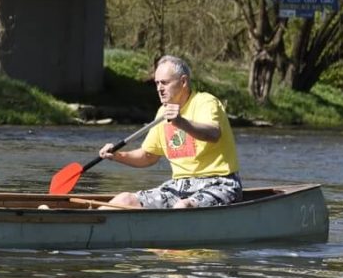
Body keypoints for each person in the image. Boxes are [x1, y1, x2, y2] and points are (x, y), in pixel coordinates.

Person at [97, 55, 241, 209]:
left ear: (183, 82)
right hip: (179, 186)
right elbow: (148, 156)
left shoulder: (205, 102)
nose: (159, 88)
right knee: (124, 200)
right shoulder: (162, 112)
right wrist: (117, 156)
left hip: (218, 184)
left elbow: (213, 134)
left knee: (182, 206)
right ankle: (91, 226)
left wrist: (180, 122)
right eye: (157, 83)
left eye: (165, 83)